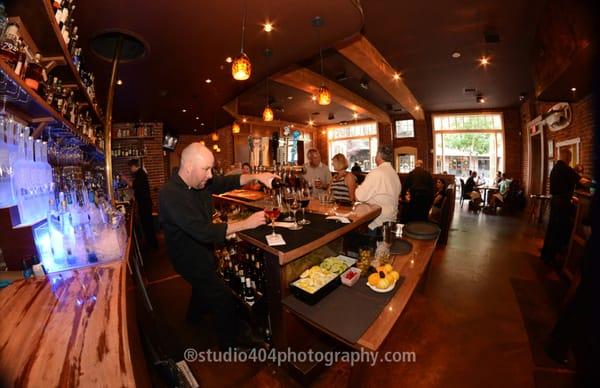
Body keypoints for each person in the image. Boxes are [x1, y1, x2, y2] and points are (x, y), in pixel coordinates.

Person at [159, 143, 276, 350]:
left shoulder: (200, 181)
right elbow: (202, 231)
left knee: (203, 287)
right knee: (222, 297)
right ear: (187, 167)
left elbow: (227, 181)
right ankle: (229, 345)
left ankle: (193, 318)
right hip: (187, 258)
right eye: (206, 169)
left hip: (202, 252)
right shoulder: (171, 195)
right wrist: (245, 224)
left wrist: (257, 176)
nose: (210, 175)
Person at [540, 149, 590, 267]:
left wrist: (570, 196)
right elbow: (581, 181)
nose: (571, 159)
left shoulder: (555, 168)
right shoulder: (565, 169)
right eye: (570, 156)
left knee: (552, 228)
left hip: (555, 201)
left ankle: (546, 254)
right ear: (567, 156)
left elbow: (561, 187)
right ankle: (553, 257)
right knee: (560, 229)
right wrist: (592, 183)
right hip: (562, 204)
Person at [355, 145, 401, 231]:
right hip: (391, 219)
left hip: (377, 222)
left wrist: (357, 187)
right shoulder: (394, 174)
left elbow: (359, 197)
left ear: (379, 155)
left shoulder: (376, 173)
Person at [127, 159, 158, 249]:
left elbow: (133, 185)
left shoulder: (140, 174)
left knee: (147, 224)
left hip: (145, 204)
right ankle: (152, 244)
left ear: (133, 166)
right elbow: (138, 187)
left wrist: (125, 179)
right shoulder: (140, 173)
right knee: (148, 224)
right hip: (145, 203)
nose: (130, 169)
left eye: (130, 167)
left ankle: (152, 245)